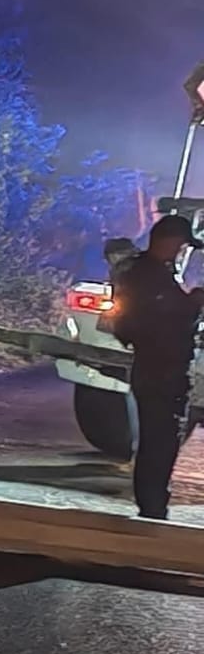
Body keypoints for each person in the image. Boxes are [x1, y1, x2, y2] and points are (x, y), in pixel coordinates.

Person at [108, 214, 204, 520]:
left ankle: (153, 503)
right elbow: (162, 320)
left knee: (158, 439)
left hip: (157, 368)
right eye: (181, 246)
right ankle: (152, 507)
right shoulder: (149, 276)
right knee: (160, 441)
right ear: (169, 241)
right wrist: (194, 303)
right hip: (160, 370)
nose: (181, 252)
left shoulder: (147, 273)